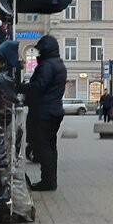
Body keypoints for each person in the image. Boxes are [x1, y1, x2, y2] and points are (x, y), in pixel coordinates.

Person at [24, 34, 67, 191]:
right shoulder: (58, 63)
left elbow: (39, 86)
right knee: (50, 147)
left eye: (41, 50)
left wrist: (22, 88)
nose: (39, 53)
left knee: (44, 148)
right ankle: (50, 180)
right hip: (53, 110)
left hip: (44, 111)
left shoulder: (48, 65)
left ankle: (47, 182)